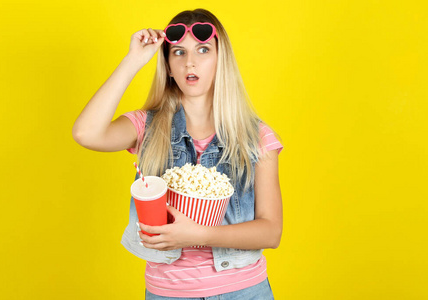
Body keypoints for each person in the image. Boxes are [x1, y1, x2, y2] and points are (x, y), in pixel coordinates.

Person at [73, 8, 283, 300]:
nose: (190, 62)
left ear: (222, 60)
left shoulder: (256, 136)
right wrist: (134, 60)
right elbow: (87, 134)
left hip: (244, 291)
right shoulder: (146, 126)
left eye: (203, 50)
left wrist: (199, 235)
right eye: (179, 53)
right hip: (168, 293)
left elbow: (271, 232)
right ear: (168, 65)